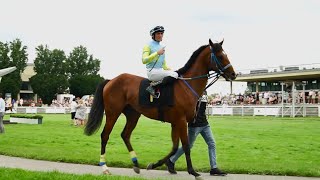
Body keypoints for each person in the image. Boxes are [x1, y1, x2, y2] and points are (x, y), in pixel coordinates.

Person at [165, 91, 227, 176]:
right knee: (188, 146)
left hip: (205, 124)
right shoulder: (193, 90)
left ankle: (214, 168)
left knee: (212, 143)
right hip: (194, 126)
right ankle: (171, 161)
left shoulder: (204, 92)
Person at [142, 25, 178, 97]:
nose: (160, 35)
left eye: (161, 33)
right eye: (158, 33)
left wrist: (169, 69)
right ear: (153, 35)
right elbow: (144, 60)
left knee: (175, 73)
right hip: (152, 72)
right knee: (175, 75)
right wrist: (157, 53)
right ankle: (152, 87)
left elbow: (163, 64)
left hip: (160, 70)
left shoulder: (161, 47)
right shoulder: (148, 45)